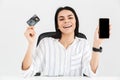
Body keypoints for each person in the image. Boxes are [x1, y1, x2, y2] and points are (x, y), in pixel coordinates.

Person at [22, 6, 110, 77]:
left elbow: (91, 73)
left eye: (70, 17)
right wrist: (31, 44)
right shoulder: (45, 43)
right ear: (57, 25)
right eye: (61, 19)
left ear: (76, 22)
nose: (66, 21)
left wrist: (97, 44)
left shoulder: (83, 44)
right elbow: (27, 72)